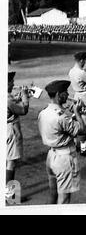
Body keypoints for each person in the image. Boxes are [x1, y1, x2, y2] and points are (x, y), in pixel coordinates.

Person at [38, 80, 86, 204]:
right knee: (64, 199)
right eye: (65, 92)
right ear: (59, 94)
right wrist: (77, 112)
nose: (67, 94)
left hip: (51, 156)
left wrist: (67, 113)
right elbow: (81, 130)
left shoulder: (44, 112)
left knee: (53, 194)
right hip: (64, 159)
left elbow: (61, 126)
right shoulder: (61, 116)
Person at [6, 72, 29, 201]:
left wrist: (18, 98)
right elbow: (23, 110)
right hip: (11, 130)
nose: (13, 83)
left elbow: (11, 103)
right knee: (11, 163)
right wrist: (25, 97)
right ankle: (9, 195)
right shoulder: (8, 99)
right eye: (11, 82)